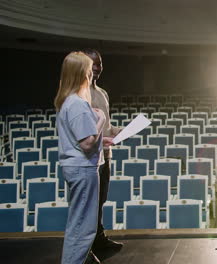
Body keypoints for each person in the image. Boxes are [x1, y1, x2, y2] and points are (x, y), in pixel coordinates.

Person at [55, 51, 113, 264]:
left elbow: (82, 139)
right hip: (83, 169)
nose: (91, 75)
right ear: (82, 74)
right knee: (83, 229)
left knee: (79, 225)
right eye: (89, 71)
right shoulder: (77, 104)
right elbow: (87, 143)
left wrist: (102, 141)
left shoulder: (67, 101)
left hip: (78, 167)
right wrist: (100, 119)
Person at [82, 49, 124, 256]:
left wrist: (121, 131)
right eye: (93, 64)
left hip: (105, 156)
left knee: (100, 201)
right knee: (88, 206)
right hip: (88, 159)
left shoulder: (102, 93)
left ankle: (99, 240)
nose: (98, 68)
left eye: (100, 63)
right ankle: (85, 250)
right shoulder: (78, 94)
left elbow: (105, 127)